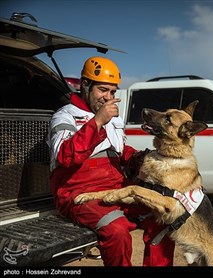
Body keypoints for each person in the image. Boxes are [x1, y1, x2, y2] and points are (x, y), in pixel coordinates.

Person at [47, 56, 175, 266]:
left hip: (115, 187)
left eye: (113, 92)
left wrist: (139, 158)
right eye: (103, 90)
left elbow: (120, 152)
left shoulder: (114, 119)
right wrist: (97, 122)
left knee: (164, 215)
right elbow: (64, 157)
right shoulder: (64, 116)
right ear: (85, 85)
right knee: (116, 229)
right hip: (77, 193)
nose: (108, 97)